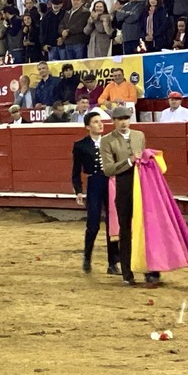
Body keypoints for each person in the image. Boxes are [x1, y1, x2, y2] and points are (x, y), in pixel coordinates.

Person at [100, 106, 158, 285]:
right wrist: (129, 161)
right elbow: (108, 169)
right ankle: (127, 272)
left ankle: (151, 270)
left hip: (142, 186)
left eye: (126, 118)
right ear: (113, 121)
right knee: (125, 230)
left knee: (146, 228)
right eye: (120, 119)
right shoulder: (107, 141)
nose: (124, 122)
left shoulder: (139, 135)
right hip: (123, 186)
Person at [72, 111, 120, 274]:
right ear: (87, 126)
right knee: (93, 224)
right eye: (95, 122)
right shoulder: (80, 145)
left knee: (113, 224)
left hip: (111, 182)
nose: (100, 124)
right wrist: (78, 191)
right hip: (94, 183)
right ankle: (87, 257)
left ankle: (113, 263)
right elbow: (76, 170)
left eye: (101, 121)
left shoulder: (110, 141)